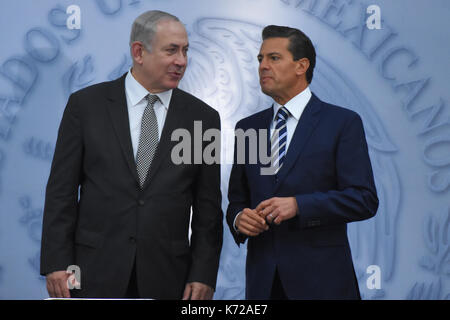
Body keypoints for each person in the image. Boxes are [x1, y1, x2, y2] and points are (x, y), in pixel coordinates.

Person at [40, 10, 223, 300]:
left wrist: (203, 274)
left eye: (185, 51)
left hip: (169, 277)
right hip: (91, 271)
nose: (182, 61)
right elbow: (61, 192)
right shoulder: (85, 106)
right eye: (171, 50)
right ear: (139, 52)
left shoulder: (204, 118)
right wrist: (56, 262)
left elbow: (208, 208)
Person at [226, 25, 379, 299]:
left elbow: (363, 199)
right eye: (260, 59)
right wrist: (239, 219)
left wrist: (299, 205)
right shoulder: (248, 128)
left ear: (301, 66)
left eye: (273, 58)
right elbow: (238, 200)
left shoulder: (342, 123)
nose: (262, 66)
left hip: (324, 283)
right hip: (263, 284)